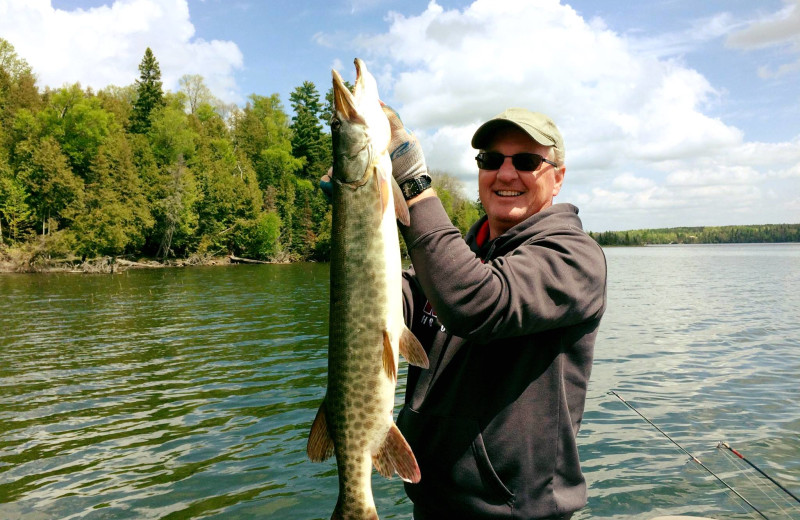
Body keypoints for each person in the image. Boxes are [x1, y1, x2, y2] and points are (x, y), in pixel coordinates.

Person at [385, 106, 608, 520]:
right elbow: (384, 303)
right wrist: (364, 202)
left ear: (557, 177)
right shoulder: (458, 258)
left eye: (526, 161)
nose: (505, 174)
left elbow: (475, 303)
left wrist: (413, 183)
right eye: (491, 160)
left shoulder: (575, 257)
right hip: (432, 506)